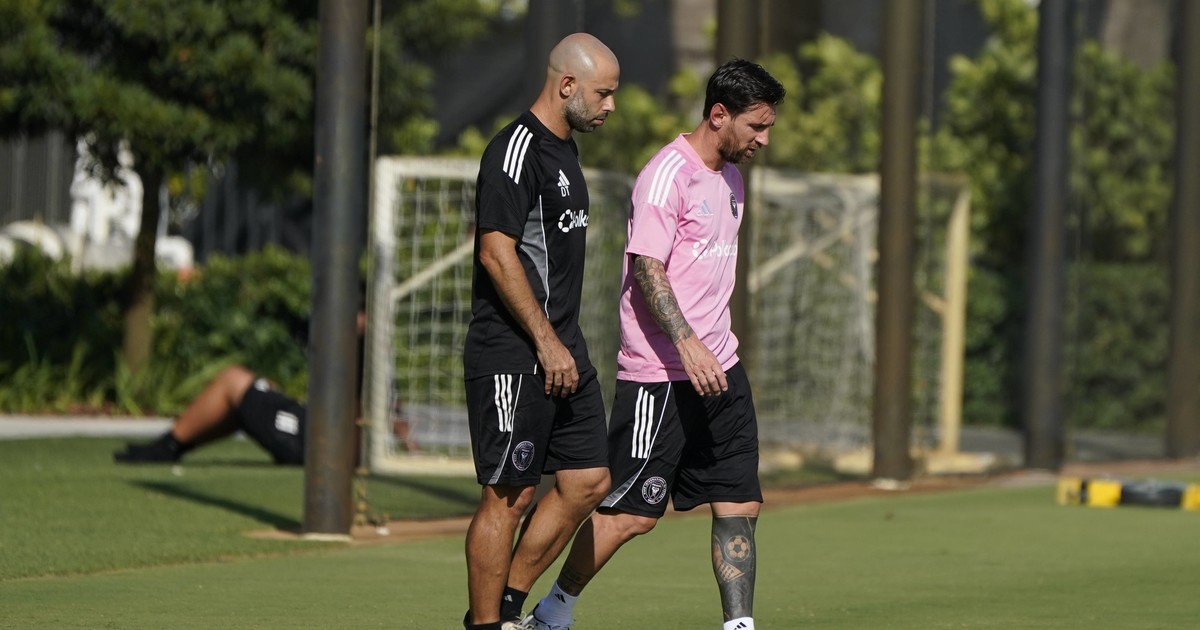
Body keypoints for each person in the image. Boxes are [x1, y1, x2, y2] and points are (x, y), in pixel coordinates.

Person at [522, 58, 786, 630]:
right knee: (632, 514)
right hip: (661, 376)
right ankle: (552, 609)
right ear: (720, 115)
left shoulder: (732, 178)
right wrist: (686, 343)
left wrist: (709, 346)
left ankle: (739, 625)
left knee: (739, 502)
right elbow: (647, 267)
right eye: (757, 126)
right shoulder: (667, 174)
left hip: (722, 368)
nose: (764, 139)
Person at [461, 33, 620, 630]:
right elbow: (495, 252)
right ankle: (485, 625)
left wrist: (562, 343)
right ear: (567, 85)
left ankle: (508, 606)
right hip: (514, 351)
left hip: (563, 348)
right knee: (509, 495)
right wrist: (546, 341)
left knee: (587, 480)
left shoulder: (567, 151)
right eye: (603, 93)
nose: (610, 106)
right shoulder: (514, 150)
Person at [113, 308, 418, 465]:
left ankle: (168, 446)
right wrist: (411, 448)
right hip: (312, 429)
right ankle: (171, 447)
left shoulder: (362, 352)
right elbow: (391, 410)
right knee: (244, 398)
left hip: (313, 445)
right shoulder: (366, 357)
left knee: (233, 380)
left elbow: (380, 410)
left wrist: (408, 448)